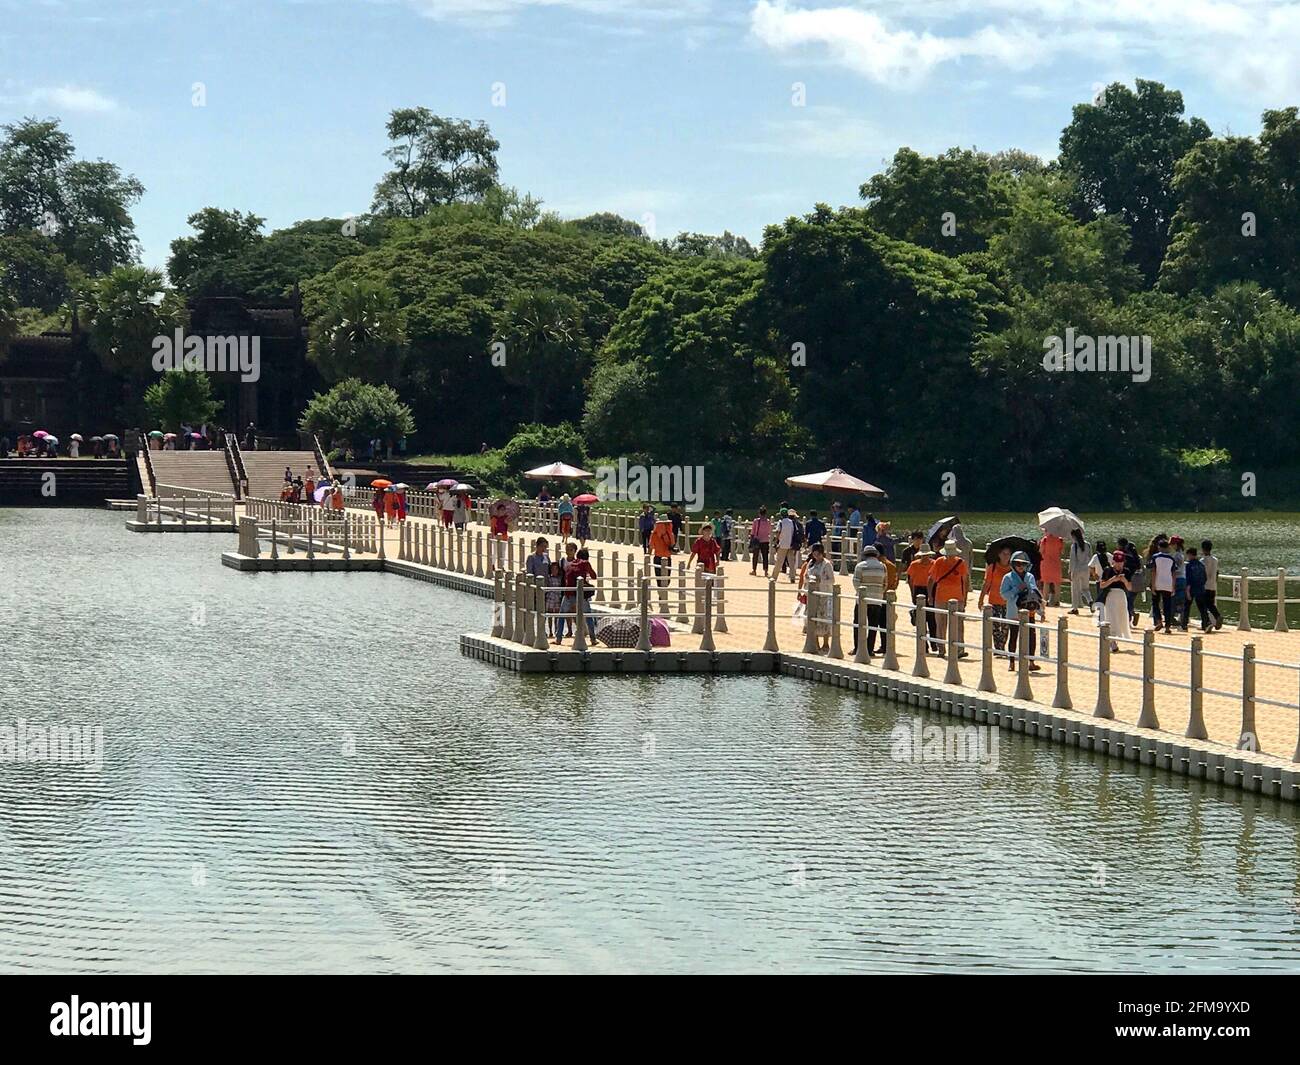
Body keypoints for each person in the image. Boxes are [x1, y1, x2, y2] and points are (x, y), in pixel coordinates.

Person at [927, 539, 970, 655]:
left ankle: (957, 649)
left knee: (953, 624)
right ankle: (945, 649)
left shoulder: (960, 563)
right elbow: (931, 579)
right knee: (944, 624)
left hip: (953, 597)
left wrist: (930, 596)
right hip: (946, 597)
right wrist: (930, 596)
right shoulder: (940, 562)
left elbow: (931, 580)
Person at [1000, 551, 1042, 670]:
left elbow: (1036, 594)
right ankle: (1012, 662)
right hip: (1014, 611)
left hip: (1030, 611)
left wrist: (1041, 611)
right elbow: (1003, 595)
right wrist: (1016, 589)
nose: (1020, 566)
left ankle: (1031, 662)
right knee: (1013, 636)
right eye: (1017, 564)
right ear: (1013, 564)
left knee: (1031, 637)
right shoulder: (1007, 577)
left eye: (1023, 564)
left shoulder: (1030, 577)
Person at [852, 545, 887, 656]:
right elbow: (885, 584)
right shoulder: (883, 567)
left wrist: (861, 592)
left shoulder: (860, 566)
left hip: (863, 600)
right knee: (873, 625)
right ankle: (869, 649)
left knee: (858, 623)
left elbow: (856, 582)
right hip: (877, 599)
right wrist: (879, 592)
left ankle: (857, 648)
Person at [979, 545, 1013, 659]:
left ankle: (1001, 647)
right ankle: (998, 649)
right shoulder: (992, 567)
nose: (1006, 556)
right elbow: (987, 584)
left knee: (1005, 626)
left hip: (1007, 602)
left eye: (1008, 554)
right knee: (995, 626)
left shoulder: (1012, 568)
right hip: (994, 600)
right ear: (999, 554)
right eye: (1004, 553)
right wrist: (981, 599)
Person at [802, 543, 836, 654]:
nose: (816, 556)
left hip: (823, 594)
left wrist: (820, 580)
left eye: (818, 554)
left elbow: (832, 580)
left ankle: (826, 643)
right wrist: (807, 581)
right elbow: (805, 576)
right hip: (812, 594)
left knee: (824, 618)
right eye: (814, 554)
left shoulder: (827, 564)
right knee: (812, 618)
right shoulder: (811, 563)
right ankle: (815, 643)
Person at [1098, 550, 1133, 651]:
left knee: (1121, 617)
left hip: (1121, 596)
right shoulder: (1107, 570)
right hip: (1110, 596)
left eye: (1120, 562)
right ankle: (1112, 642)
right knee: (1111, 617)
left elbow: (1130, 587)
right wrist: (1112, 580)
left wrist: (1124, 580)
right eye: (1117, 562)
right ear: (1113, 561)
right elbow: (1102, 585)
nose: (1118, 564)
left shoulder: (1126, 571)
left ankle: (1117, 638)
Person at [906, 546, 939, 654]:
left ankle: (934, 643)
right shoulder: (914, 564)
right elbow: (910, 580)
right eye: (923, 555)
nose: (925, 557)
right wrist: (912, 594)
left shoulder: (934, 563)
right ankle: (924, 645)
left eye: (927, 555)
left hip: (931, 589)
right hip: (918, 589)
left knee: (932, 618)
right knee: (921, 619)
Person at [1145, 535, 1176, 633]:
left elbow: (1153, 571)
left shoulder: (1155, 557)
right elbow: (1174, 573)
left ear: (1159, 547)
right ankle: (1167, 626)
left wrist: (1153, 585)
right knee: (1167, 605)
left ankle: (1158, 621)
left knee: (1155, 603)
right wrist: (1173, 586)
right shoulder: (1171, 559)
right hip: (1168, 584)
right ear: (1167, 547)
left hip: (1158, 583)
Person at [1200, 540, 1224, 630]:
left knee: (1204, 605)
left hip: (1204, 586)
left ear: (1203, 549)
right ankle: (1216, 617)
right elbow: (1217, 572)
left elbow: (1202, 573)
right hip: (1213, 585)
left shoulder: (1202, 561)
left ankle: (1207, 622)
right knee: (1210, 604)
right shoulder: (1215, 560)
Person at [1068, 527, 1091, 614]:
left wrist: (1070, 571)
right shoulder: (1088, 544)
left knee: (1075, 589)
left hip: (1077, 569)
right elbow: (1090, 556)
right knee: (1085, 588)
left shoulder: (1074, 546)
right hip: (1086, 569)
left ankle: (1075, 608)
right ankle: (1090, 600)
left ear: (1074, 536)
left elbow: (1072, 560)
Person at [1184, 545, 1208, 633]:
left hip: (1191, 588)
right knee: (1202, 607)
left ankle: (1184, 625)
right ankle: (1206, 624)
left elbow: (1188, 579)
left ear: (1190, 555)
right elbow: (1205, 577)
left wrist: (1187, 591)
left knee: (1187, 606)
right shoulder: (1201, 565)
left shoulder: (1189, 565)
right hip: (1201, 587)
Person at [1038, 529, 1063, 607]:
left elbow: (1041, 551)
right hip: (1056, 563)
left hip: (1046, 563)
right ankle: (1057, 601)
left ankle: (1045, 600)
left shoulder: (1044, 540)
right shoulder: (1060, 539)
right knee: (1057, 583)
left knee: (1046, 582)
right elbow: (1061, 552)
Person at [649, 516, 675, 590]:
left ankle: (661, 594)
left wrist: (648, 556)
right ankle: (663, 593)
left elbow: (651, 546)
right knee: (667, 578)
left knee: (659, 578)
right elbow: (672, 545)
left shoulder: (654, 534)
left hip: (657, 557)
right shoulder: (670, 534)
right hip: (667, 557)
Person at [773, 509, 798, 584]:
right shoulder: (792, 522)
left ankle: (774, 577)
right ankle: (792, 577)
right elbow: (794, 532)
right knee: (791, 562)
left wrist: (776, 541)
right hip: (790, 544)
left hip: (782, 544)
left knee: (779, 561)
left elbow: (778, 532)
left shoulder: (780, 522)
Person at [1170, 535, 1189, 630]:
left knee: (1174, 600)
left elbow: (1175, 568)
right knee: (1181, 600)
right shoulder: (1181, 554)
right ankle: (1182, 621)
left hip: (1177, 579)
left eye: (1172, 544)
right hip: (1183, 578)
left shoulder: (1177, 555)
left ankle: (1175, 620)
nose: (1171, 546)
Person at [546, 561, 565, 643]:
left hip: (558, 597)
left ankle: (557, 630)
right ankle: (550, 630)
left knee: (557, 615)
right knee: (550, 615)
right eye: (552, 569)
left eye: (555, 569)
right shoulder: (549, 578)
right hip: (550, 597)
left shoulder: (560, 578)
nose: (554, 571)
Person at [748, 506, 771, 576]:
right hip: (766, 540)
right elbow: (769, 531)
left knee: (755, 556)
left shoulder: (756, 521)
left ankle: (754, 570)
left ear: (759, 513)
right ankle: (766, 571)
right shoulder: (768, 521)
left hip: (757, 540)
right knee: (765, 556)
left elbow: (752, 532)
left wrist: (751, 539)